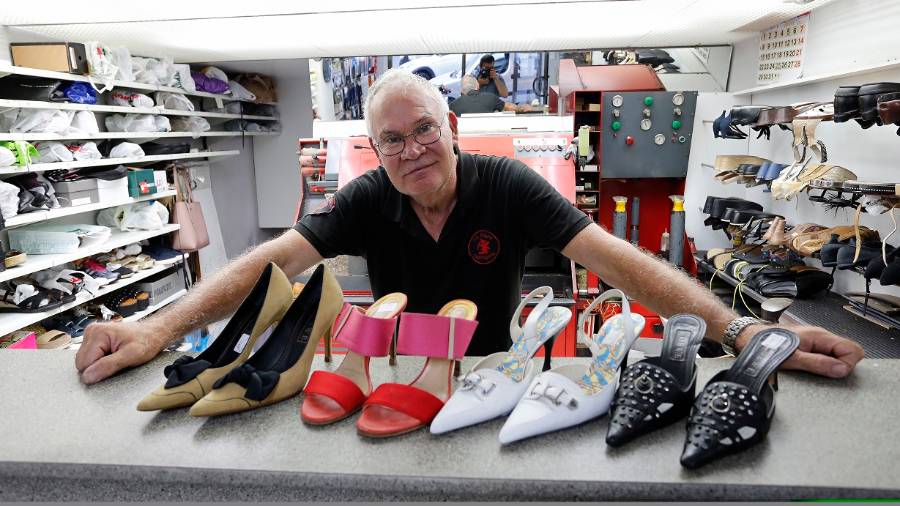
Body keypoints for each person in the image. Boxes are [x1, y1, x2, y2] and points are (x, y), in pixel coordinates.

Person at [76, 69, 864, 385]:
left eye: (424, 130)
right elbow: (269, 263)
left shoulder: (508, 184)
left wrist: (737, 331)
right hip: (390, 380)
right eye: (392, 139)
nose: (413, 150)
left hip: (496, 376)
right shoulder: (362, 197)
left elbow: (614, 260)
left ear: (451, 125)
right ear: (374, 149)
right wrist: (154, 329)